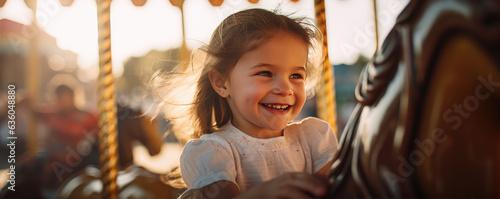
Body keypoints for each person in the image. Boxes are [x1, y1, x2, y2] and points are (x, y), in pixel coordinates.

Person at [153, 8, 338, 199]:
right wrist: (264, 193)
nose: (285, 88)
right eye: (265, 73)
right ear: (221, 82)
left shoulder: (313, 139)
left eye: (296, 75)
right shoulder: (214, 152)